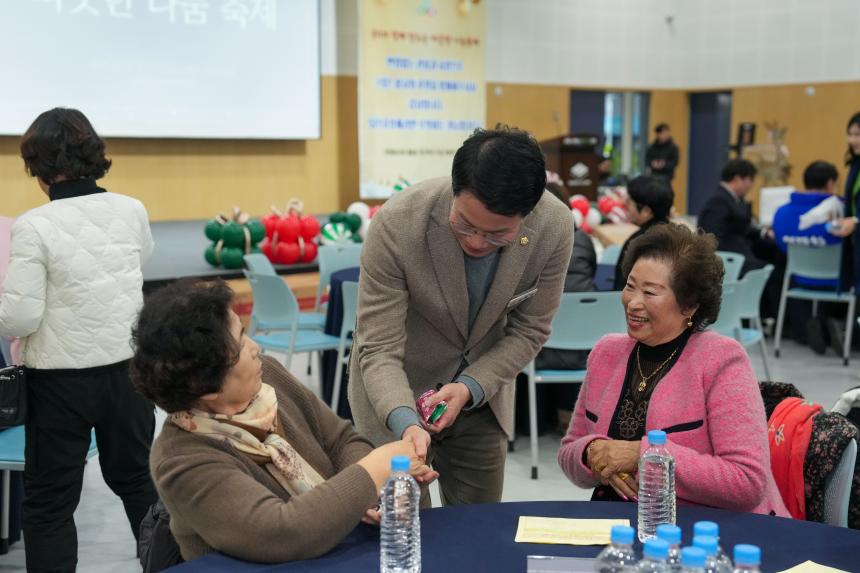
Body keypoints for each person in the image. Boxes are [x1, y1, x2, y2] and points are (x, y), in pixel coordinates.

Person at [133, 279, 437, 563]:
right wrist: (373, 471)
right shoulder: (181, 460)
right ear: (207, 385)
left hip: (335, 552)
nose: (255, 348)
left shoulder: (267, 380)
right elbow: (280, 532)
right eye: (240, 343)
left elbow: (342, 440)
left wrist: (374, 495)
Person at [348, 126, 574, 506]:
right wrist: (405, 421)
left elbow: (530, 330)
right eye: (465, 225)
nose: (476, 242)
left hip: (482, 396)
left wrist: (470, 386)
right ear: (455, 190)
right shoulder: (399, 223)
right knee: (401, 532)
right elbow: (379, 345)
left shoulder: (553, 227)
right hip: (394, 396)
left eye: (497, 235)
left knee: (477, 531)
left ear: (528, 214)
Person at [0, 108, 158, 572]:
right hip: (129, 375)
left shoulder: (33, 226)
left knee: (50, 505)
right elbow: (139, 259)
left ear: (39, 168)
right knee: (140, 488)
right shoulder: (132, 209)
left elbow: (21, 317)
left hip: (58, 384)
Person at [558, 223, 789, 517]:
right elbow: (569, 450)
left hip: (701, 527)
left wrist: (645, 457)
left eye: (650, 292)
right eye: (630, 286)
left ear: (689, 305)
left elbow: (746, 481)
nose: (633, 302)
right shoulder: (607, 353)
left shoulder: (721, 361)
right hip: (614, 522)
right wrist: (591, 452)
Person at [698, 158, 785, 318]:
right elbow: (711, 237)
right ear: (738, 178)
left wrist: (763, 233)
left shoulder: (731, 200)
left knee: (775, 257)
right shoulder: (719, 202)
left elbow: (743, 227)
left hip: (740, 250)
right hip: (730, 257)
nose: (751, 185)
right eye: (750, 180)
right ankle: (773, 318)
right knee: (774, 272)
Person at [772, 161, 843, 351]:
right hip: (837, 282)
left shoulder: (782, 213)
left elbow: (780, 244)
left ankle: (803, 330)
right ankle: (840, 327)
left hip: (798, 277)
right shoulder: (841, 212)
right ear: (830, 183)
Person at [613, 175, 674, 290]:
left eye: (629, 202)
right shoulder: (679, 238)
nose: (625, 205)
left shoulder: (639, 243)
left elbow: (620, 289)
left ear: (646, 211)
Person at [828, 112, 860, 293]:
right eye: (851, 134)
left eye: (858, 135)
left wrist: (856, 221)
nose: (853, 140)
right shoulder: (855, 165)